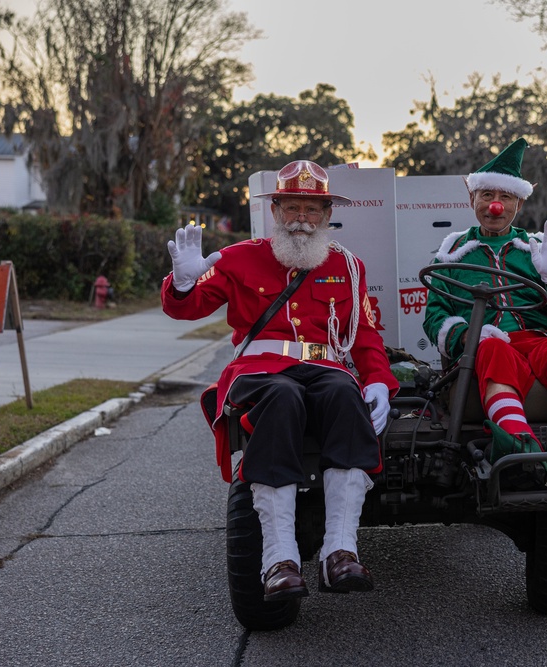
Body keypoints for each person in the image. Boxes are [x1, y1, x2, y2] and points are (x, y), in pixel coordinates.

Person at [161, 159, 398, 602]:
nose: (301, 219)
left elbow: (364, 333)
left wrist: (379, 381)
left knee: (344, 395)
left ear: (327, 215)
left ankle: (340, 552)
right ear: (275, 212)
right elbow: (187, 309)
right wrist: (182, 283)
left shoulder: (348, 266)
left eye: (312, 209)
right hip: (260, 371)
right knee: (283, 396)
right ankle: (279, 559)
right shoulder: (239, 258)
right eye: (292, 207)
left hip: (326, 367)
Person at [422, 138, 547, 462]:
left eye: (505, 197)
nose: (495, 205)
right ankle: (516, 443)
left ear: (520, 205)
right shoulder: (451, 256)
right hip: (485, 348)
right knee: (494, 350)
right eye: (487, 195)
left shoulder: (537, 250)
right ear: (472, 199)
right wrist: (470, 336)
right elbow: (435, 318)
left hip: (538, 341)